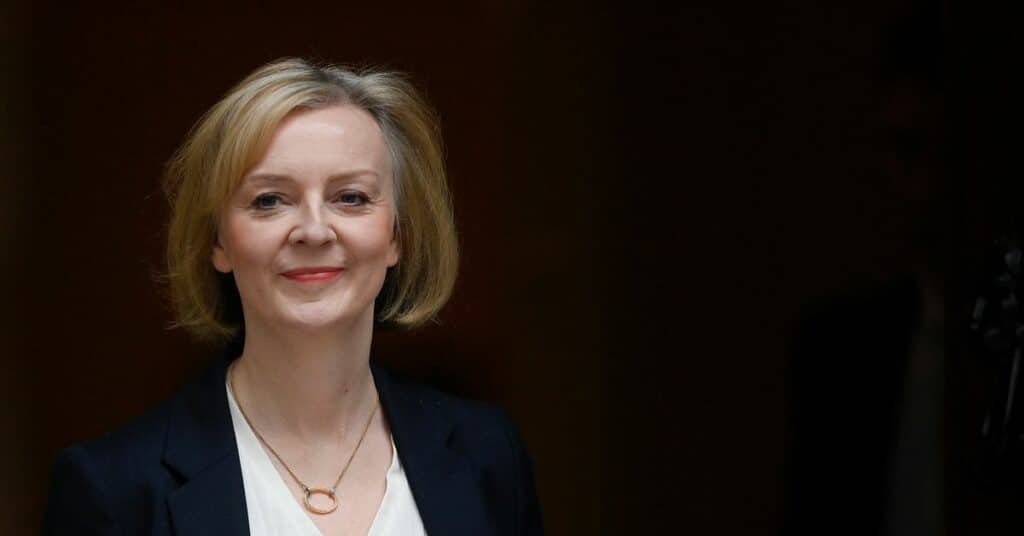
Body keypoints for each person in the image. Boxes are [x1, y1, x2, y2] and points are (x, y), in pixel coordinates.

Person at [41, 57, 544, 535]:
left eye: (351, 197)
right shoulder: (114, 490)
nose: (312, 230)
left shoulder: (487, 453)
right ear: (218, 241)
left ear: (397, 236)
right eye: (269, 200)